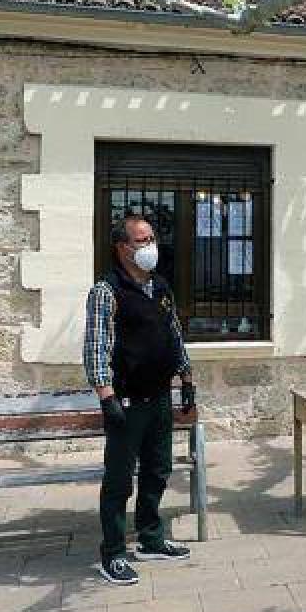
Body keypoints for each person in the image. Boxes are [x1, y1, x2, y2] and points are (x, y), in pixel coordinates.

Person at [83, 213, 195, 585]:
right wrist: (106, 396)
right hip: (126, 400)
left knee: (158, 470)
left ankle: (150, 538)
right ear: (122, 247)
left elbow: (174, 334)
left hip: (160, 397)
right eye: (141, 241)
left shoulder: (160, 287)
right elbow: (96, 348)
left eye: (151, 240)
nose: (149, 247)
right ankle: (112, 553)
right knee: (119, 480)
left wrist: (187, 379)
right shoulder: (106, 290)